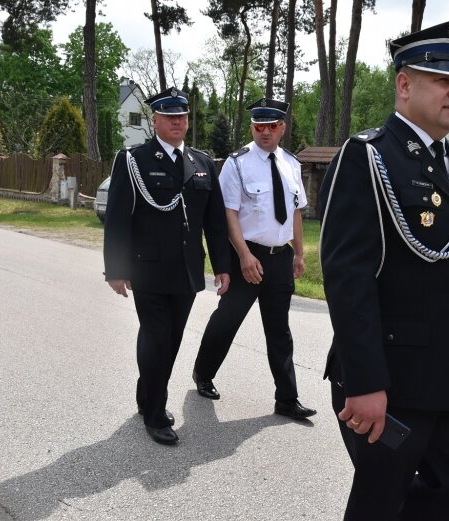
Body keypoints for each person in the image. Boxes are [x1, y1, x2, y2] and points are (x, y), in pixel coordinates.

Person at [319, 20, 449, 520]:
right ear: (405, 84)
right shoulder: (368, 156)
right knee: (379, 500)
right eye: (442, 80)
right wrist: (365, 382)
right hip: (388, 378)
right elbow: (347, 278)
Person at [103, 87, 231, 446]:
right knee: (157, 338)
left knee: (171, 341)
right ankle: (156, 413)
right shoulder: (134, 160)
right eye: (169, 116)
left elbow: (215, 222)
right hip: (149, 269)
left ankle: (147, 397)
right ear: (155, 120)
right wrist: (115, 267)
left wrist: (223, 266)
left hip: (188, 272)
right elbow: (117, 218)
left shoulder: (203, 163)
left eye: (182, 116)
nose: (177, 122)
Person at [191, 97, 316, 420]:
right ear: (252, 127)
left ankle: (287, 398)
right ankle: (203, 374)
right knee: (227, 320)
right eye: (259, 126)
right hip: (246, 256)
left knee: (279, 331)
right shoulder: (238, 162)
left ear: (282, 128)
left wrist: (298, 252)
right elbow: (228, 214)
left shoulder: (291, 163)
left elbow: (296, 212)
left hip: (279, 258)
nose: (265, 132)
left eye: (272, 126)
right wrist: (244, 256)